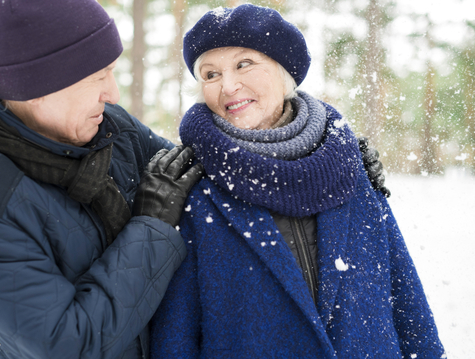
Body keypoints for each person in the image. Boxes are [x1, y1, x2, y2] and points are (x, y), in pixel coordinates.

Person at [150, 4, 445, 359]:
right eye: (210, 75)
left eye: (244, 64)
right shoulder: (194, 185)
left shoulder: (349, 166)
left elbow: (408, 306)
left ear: (284, 71)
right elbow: (175, 336)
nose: (227, 85)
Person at [0, 1, 204, 358]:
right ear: (36, 87)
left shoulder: (108, 126)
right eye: (98, 76)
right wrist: (152, 226)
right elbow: (68, 346)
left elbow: (195, 179)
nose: (113, 94)